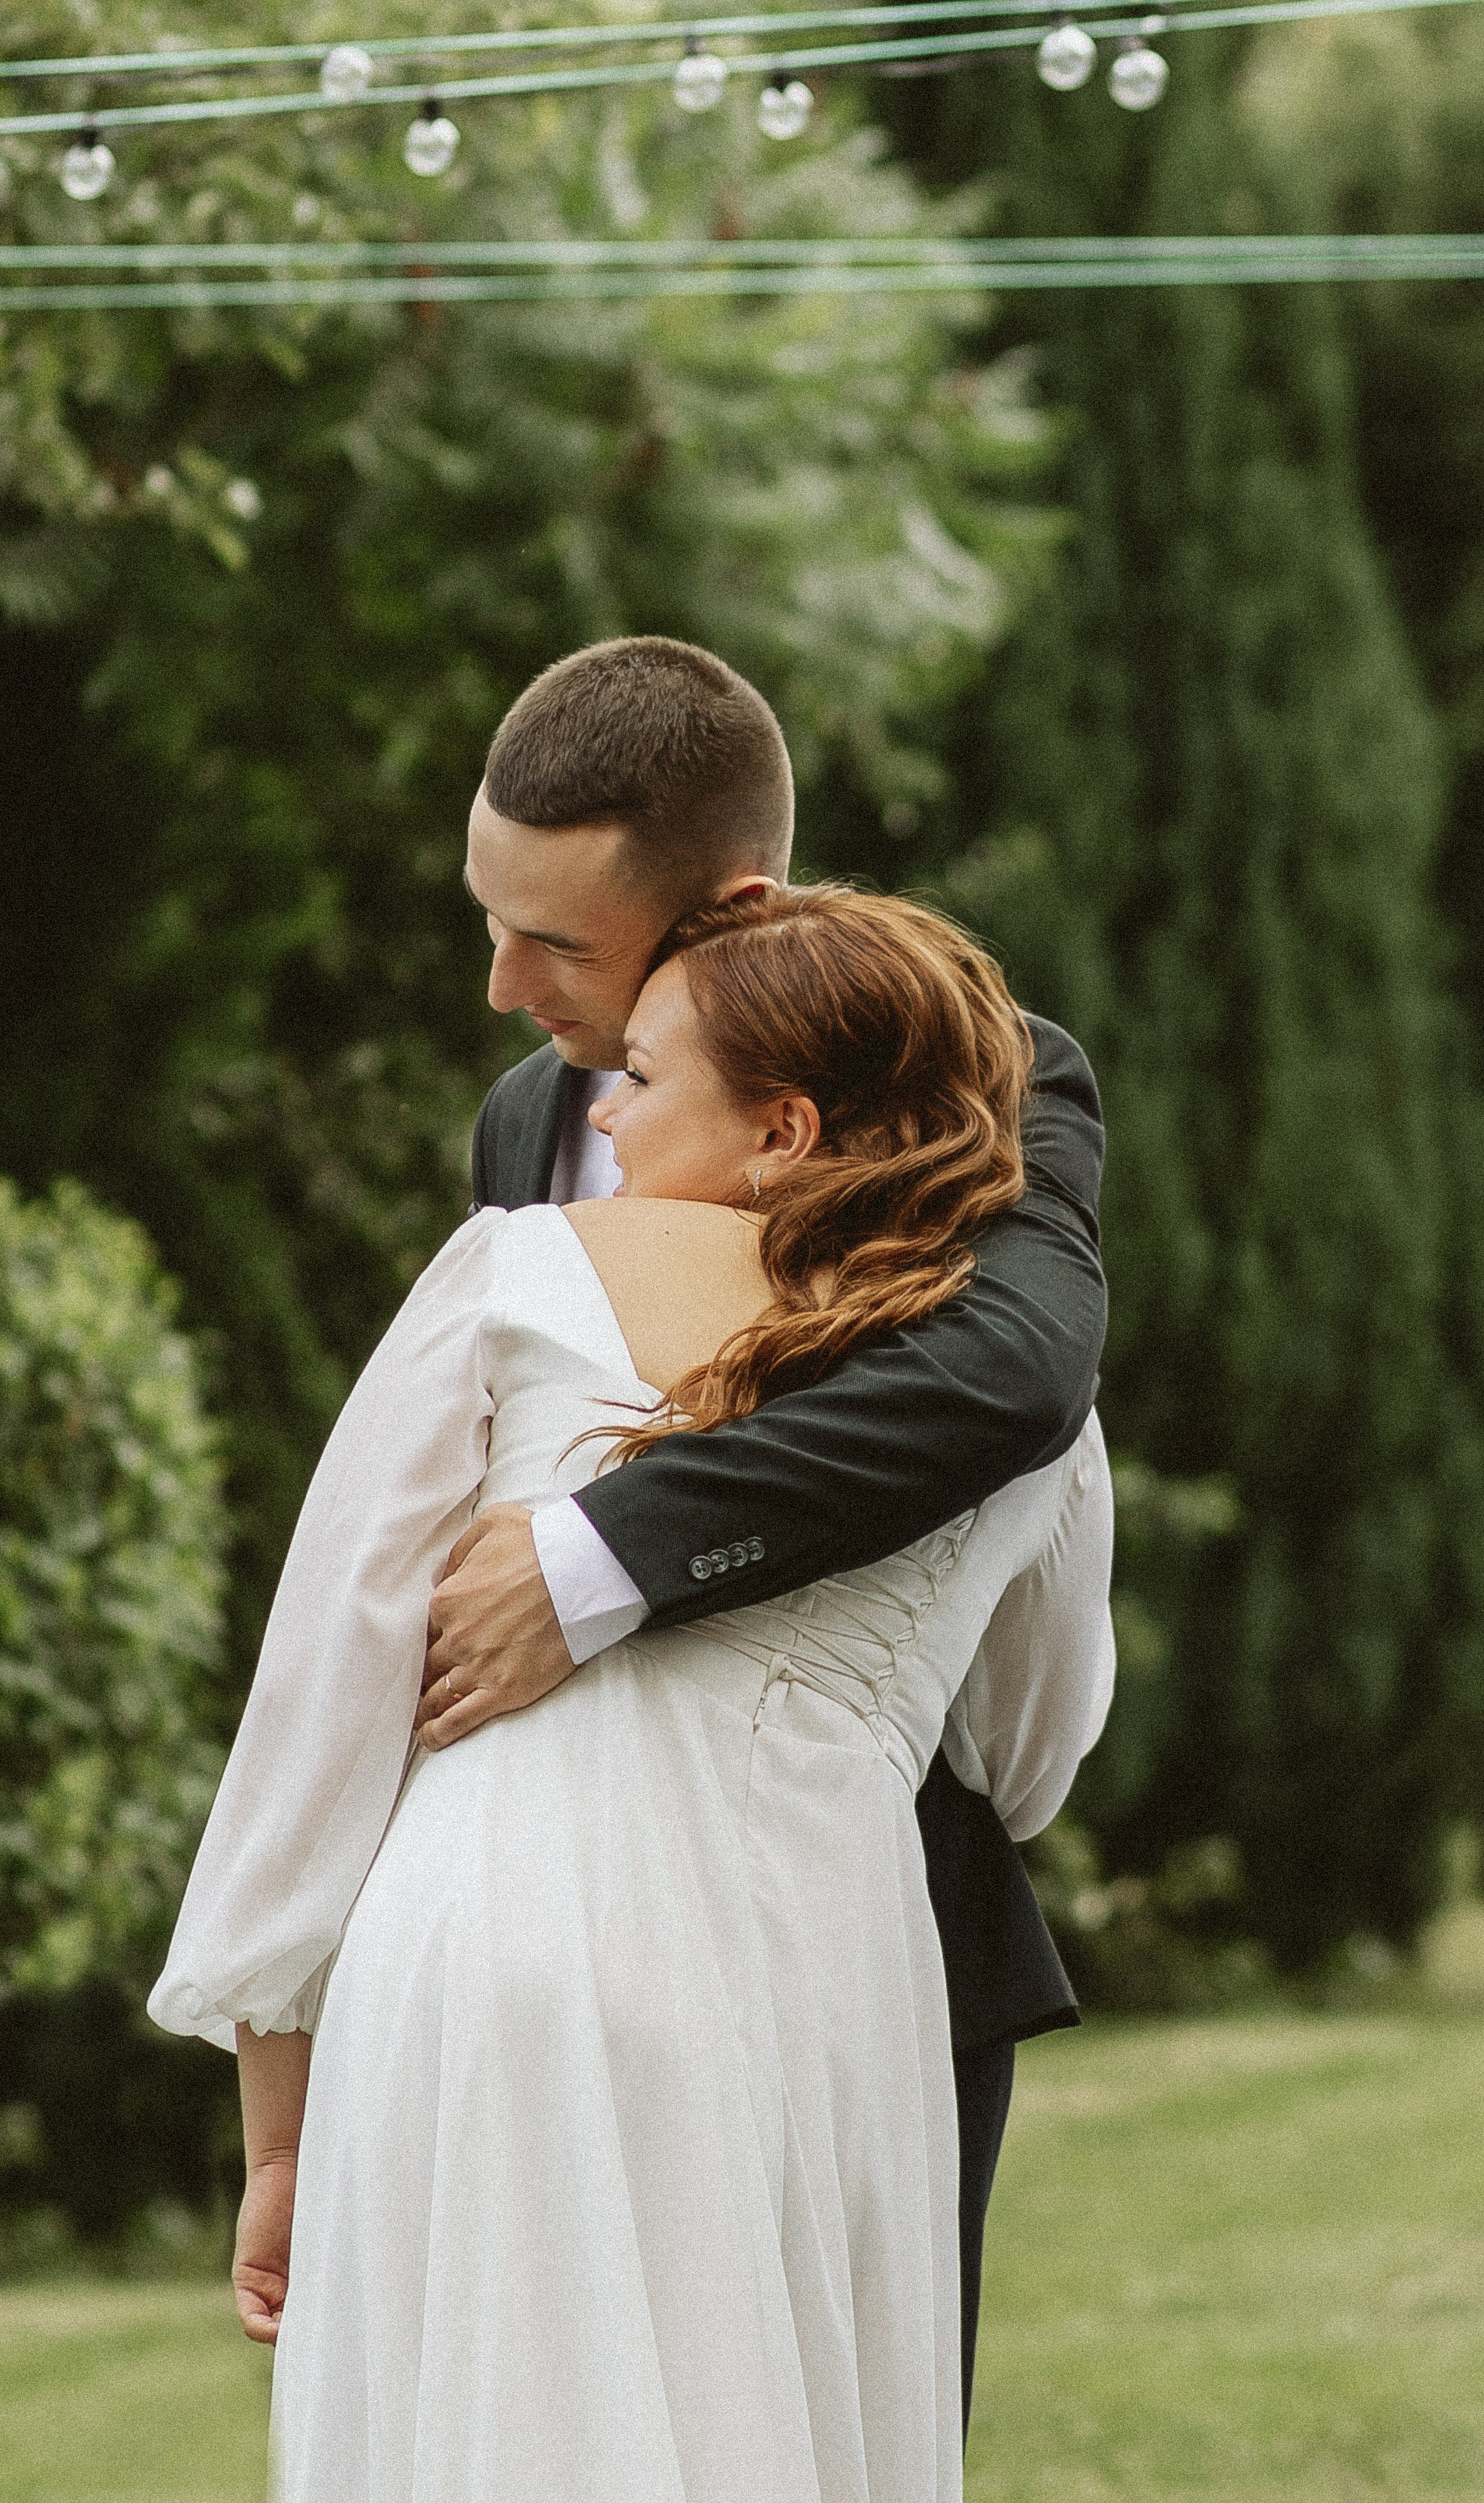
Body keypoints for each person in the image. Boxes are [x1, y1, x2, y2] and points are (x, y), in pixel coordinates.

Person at [151, 881, 1114, 2503]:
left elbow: (320, 1709)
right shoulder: (1025, 1407)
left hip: (492, 1943)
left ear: (782, 1129)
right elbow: (1023, 1759)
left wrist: (275, 2136)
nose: (597, 1105)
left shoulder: (518, 1275)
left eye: (645, 1079)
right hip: (826, 1978)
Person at [422, 637, 1107, 2418]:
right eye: (492, 921)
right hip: (540, 1933)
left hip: (859, 1918)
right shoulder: (525, 1127)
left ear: (731, 906)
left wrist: (603, 1561)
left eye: (557, 945)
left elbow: (1017, 1374)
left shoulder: (985, 1072)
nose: (503, 989)